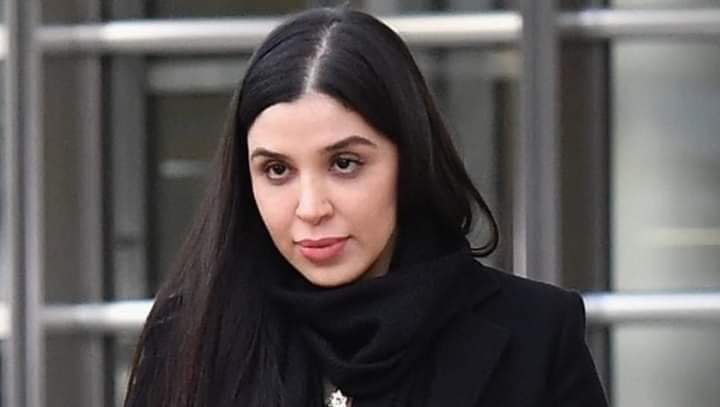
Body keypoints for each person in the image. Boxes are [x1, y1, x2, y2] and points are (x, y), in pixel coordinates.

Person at [124, 7, 608, 407]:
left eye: (344, 164)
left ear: (409, 159)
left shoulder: (535, 334)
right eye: (277, 170)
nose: (311, 208)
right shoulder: (189, 335)